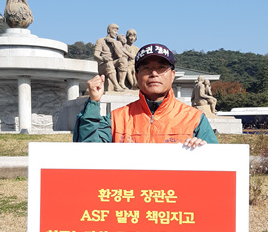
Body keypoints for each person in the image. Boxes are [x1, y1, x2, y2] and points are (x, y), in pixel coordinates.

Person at [74, 43, 218, 146]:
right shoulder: (117, 118)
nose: (154, 73)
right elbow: (88, 150)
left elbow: (217, 166)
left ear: (172, 75)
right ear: (136, 76)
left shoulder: (195, 118)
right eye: (146, 68)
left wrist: (203, 149)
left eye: (161, 68)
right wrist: (93, 102)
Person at [93, 23, 125, 92]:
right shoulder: (101, 41)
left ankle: (121, 83)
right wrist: (103, 59)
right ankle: (116, 86)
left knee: (123, 60)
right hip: (103, 64)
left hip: (112, 62)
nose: (116, 33)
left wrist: (114, 43)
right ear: (109, 30)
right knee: (109, 63)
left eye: (117, 32)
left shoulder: (116, 43)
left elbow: (120, 56)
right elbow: (95, 55)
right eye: (115, 31)